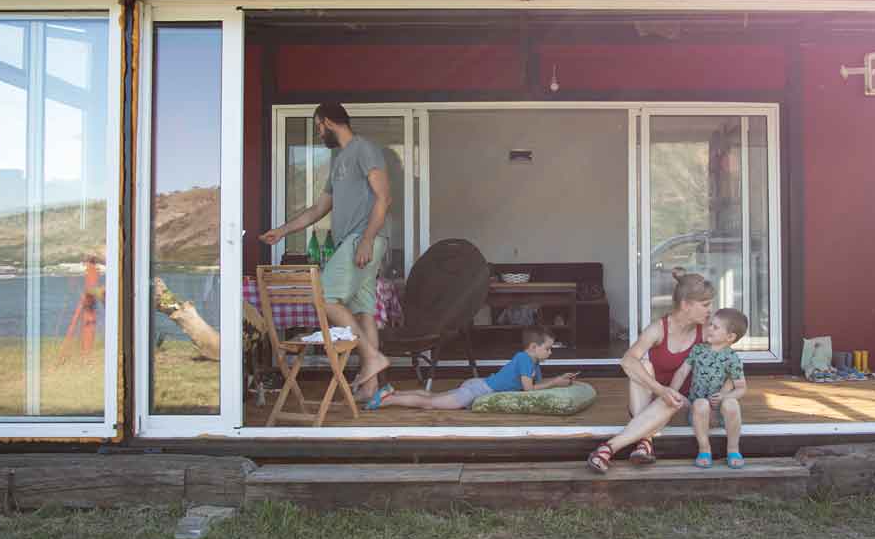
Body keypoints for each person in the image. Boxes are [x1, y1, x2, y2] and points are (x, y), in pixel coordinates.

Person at [259, 102, 392, 402]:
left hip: (362, 239)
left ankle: (372, 357)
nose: (319, 133)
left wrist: (368, 240)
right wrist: (282, 230)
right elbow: (320, 208)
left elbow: (385, 197)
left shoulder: (364, 149)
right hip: (354, 241)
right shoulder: (339, 159)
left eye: (318, 126)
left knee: (324, 297)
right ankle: (373, 389)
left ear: (328, 121)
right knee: (363, 311)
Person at [586, 272, 714, 473]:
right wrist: (660, 390)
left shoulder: (707, 330)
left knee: (673, 397)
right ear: (686, 305)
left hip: (683, 403)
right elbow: (627, 360)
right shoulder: (659, 328)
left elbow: (729, 345)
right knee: (642, 365)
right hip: (652, 401)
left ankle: (609, 447)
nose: (710, 310)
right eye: (705, 305)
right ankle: (644, 441)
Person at [368, 326, 577, 411]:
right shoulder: (524, 359)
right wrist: (555, 383)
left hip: (479, 385)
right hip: (477, 391)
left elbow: (534, 384)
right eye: (548, 348)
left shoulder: (533, 363)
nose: (550, 352)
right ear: (533, 347)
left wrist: (558, 378)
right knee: (430, 403)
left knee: (432, 396)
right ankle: (388, 400)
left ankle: (392, 392)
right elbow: (529, 390)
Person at [669, 308, 748, 469]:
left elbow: (741, 388)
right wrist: (670, 392)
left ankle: (733, 449)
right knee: (700, 403)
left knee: (732, 404)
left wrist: (725, 397)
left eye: (715, 327)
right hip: (697, 411)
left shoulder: (732, 358)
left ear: (730, 337)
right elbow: (683, 371)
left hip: (720, 414)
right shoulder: (698, 350)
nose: (709, 328)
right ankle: (704, 449)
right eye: (710, 324)